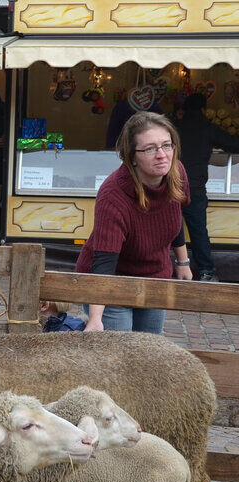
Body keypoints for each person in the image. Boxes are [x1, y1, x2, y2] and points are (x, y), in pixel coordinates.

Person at [76, 111, 192, 334]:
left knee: (149, 352)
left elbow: (173, 216)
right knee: (119, 356)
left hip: (155, 278)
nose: (162, 155)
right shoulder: (114, 195)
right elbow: (104, 263)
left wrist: (183, 262)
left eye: (167, 145)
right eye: (150, 149)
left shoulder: (177, 173)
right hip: (113, 281)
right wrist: (95, 318)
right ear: (132, 156)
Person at [175, 92, 239, 282]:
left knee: (169, 228)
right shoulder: (208, 128)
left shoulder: (174, 127)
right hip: (194, 189)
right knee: (199, 231)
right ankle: (206, 271)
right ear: (203, 109)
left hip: (172, 186)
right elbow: (234, 145)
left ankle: (166, 266)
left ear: (184, 110)